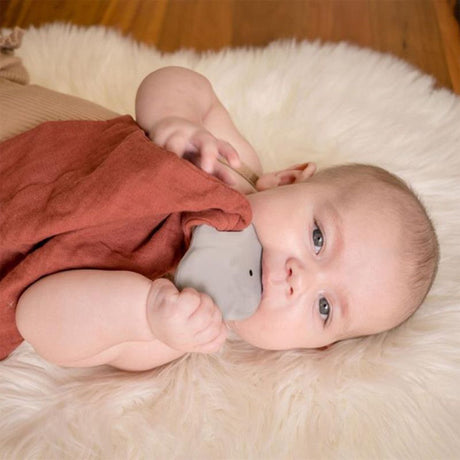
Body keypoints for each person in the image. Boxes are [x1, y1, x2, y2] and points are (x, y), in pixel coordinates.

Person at [1, 29, 439, 371]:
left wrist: (144, 313)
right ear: (285, 179)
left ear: (311, 347)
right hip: (32, 133)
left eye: (323, 307)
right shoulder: (232, 167)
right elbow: (178, 81)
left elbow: (36, 317)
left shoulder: (174, 329)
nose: (298, 277)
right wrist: (174, 120)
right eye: (318, 237)